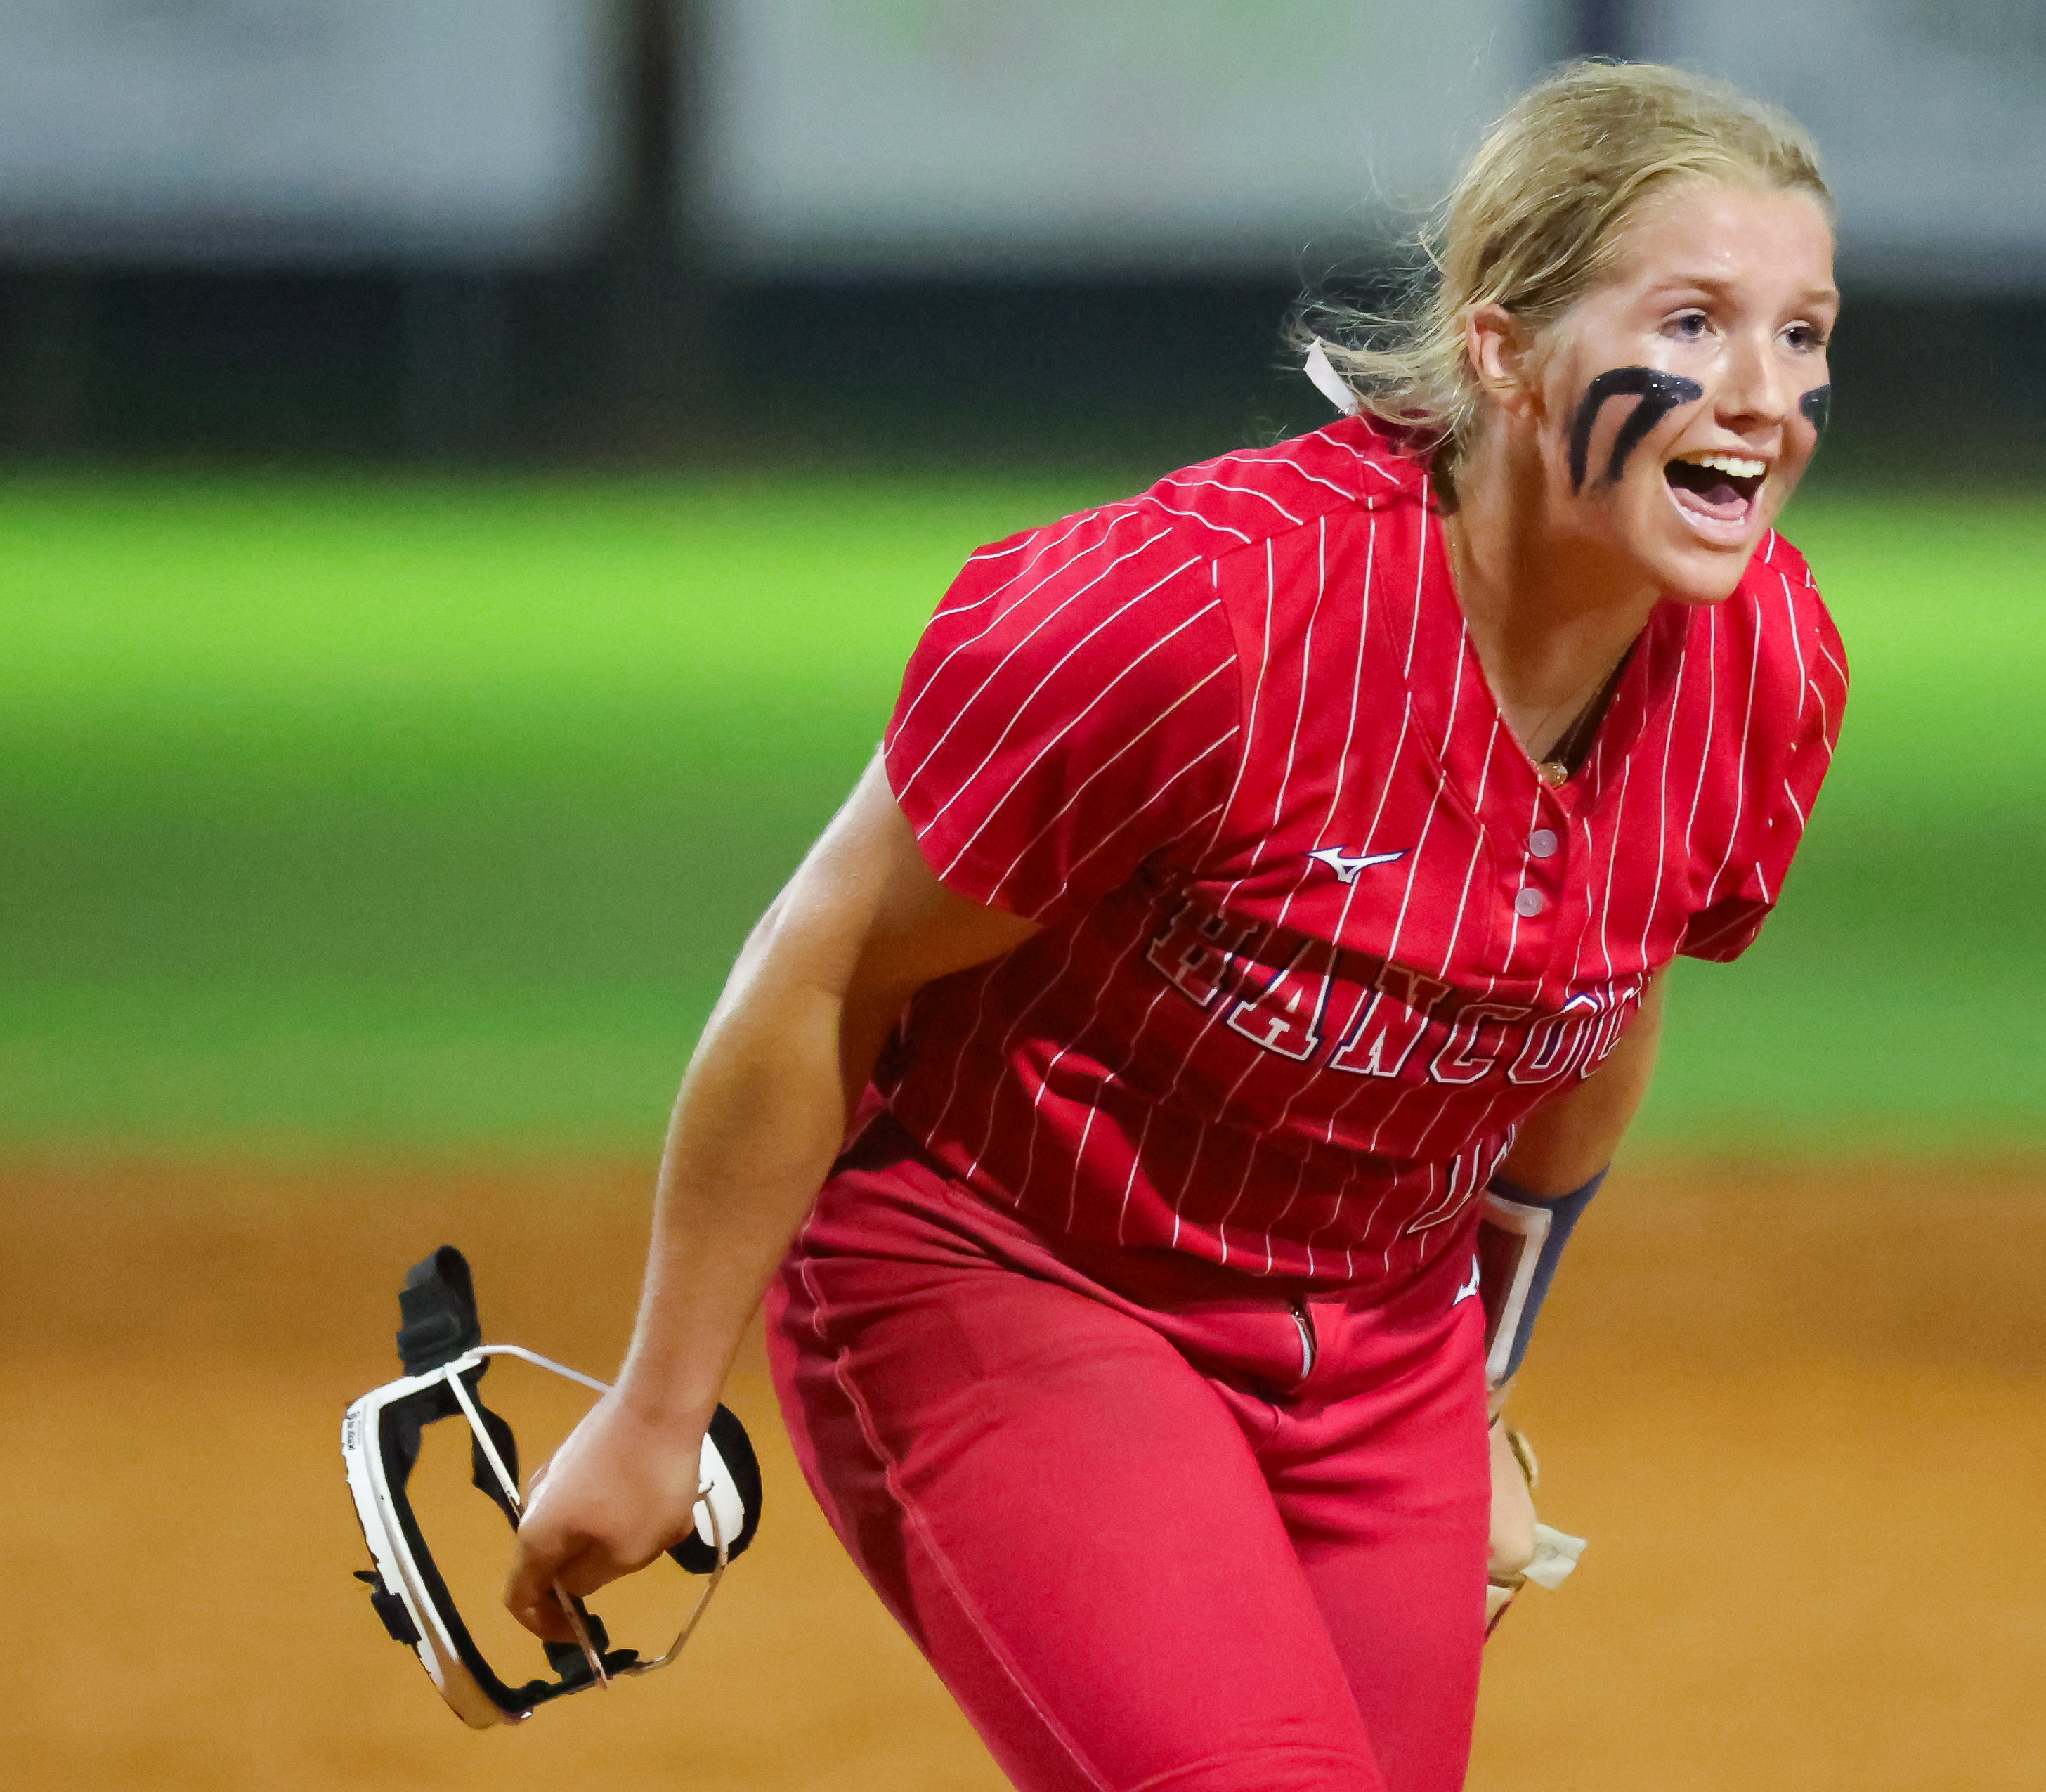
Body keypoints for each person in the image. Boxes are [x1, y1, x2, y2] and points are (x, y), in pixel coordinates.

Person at [506, 59, 1847, 1792]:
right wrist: (654, 1410)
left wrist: (1483, 1386)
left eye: (1804, 333)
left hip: (1379, 1348)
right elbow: (822, 961)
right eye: (1693, 320)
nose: (1764, 398)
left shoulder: (1762, 672)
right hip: (1013, 1270)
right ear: (1505, 351)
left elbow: (1599, 1010)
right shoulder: (1199, 617)